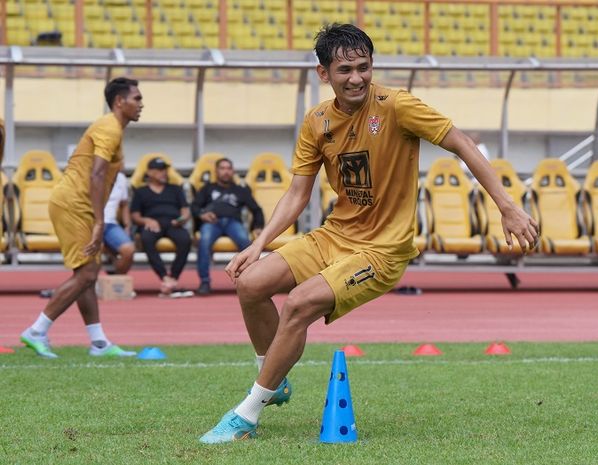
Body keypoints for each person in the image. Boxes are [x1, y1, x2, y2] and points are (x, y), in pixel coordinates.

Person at [199, 24, 538, 443]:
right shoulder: (317, 121)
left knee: (300, 304)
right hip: (333, 235)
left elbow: (463, 143)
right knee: (250, 284)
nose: (357, 77)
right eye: (345, 70)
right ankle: (274, 372)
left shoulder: (398, 106)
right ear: (324, 74)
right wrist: (258, 244)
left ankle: (246, 415)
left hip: (381, 251)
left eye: (364, 67)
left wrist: (507, 206)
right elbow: (297, 193)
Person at [20, 77, 142, 359]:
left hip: (79, 205)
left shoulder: (114, 129)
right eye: (136, 98)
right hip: (74, 204)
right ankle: (36, 331)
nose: (141, 104)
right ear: (119, 102)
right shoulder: (109, 127)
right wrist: (100, 222)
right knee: (87, 274)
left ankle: (98, 342)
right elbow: (96, 174)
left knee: (86, 274)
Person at [191, 157, 264, 296]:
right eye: (222, 168)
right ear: (216, 171)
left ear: (233, 171)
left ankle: (251, 280)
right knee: (204, 241)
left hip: (233, 222)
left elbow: (257, 210)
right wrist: (202, 215)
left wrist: (258, 226)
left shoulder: (240, 190)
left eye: (228, 169)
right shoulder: (207, 189)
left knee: (246, 242)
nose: (226, 172)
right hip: (212, 223)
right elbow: (194, 207)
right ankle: (205, 282)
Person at [130, 157, 191, 295]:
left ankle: (173, 277)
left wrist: (182, 219)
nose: (163, 173)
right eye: (159, 170)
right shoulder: (141, 191)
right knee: (146, 239)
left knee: (185, 239)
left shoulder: (175, 189)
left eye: (165, 170)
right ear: (150, 172)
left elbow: (185, 211)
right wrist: (146, 221)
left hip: (173, 223)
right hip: (152, 224)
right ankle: (164, 276)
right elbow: (135, 215)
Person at [103, 163, 135, 274]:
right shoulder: (89, 176)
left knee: (129, 250)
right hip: (89, 224)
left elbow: (124, 204)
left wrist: (127, 225)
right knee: (92, 253)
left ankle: (115, 284)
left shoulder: (121, 178)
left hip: (111, 225)